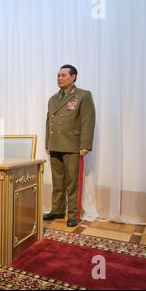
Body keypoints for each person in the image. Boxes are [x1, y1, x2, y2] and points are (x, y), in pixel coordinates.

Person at [44, 65, 96, 227]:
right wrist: (48, 143)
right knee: (57, 181)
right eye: (58, 75)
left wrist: (85, 144)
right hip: (56, 145)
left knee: (73, 182)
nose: (59, 78)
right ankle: (57, 210)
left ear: (74, 77)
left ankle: (73, 214)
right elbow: (49, 122)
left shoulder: (83, 95)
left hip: (73, 145)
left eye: (64, 75)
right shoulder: (53, 99)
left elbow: (88, 121)